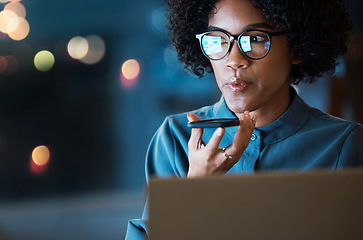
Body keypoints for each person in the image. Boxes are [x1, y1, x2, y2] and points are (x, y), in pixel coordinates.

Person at [126, 0, 363, 238]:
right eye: (218, 40)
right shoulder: (175, 139)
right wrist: (194, 189)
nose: (234, 60)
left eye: (256, 39)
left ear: (296, 48)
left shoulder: (345, 145)